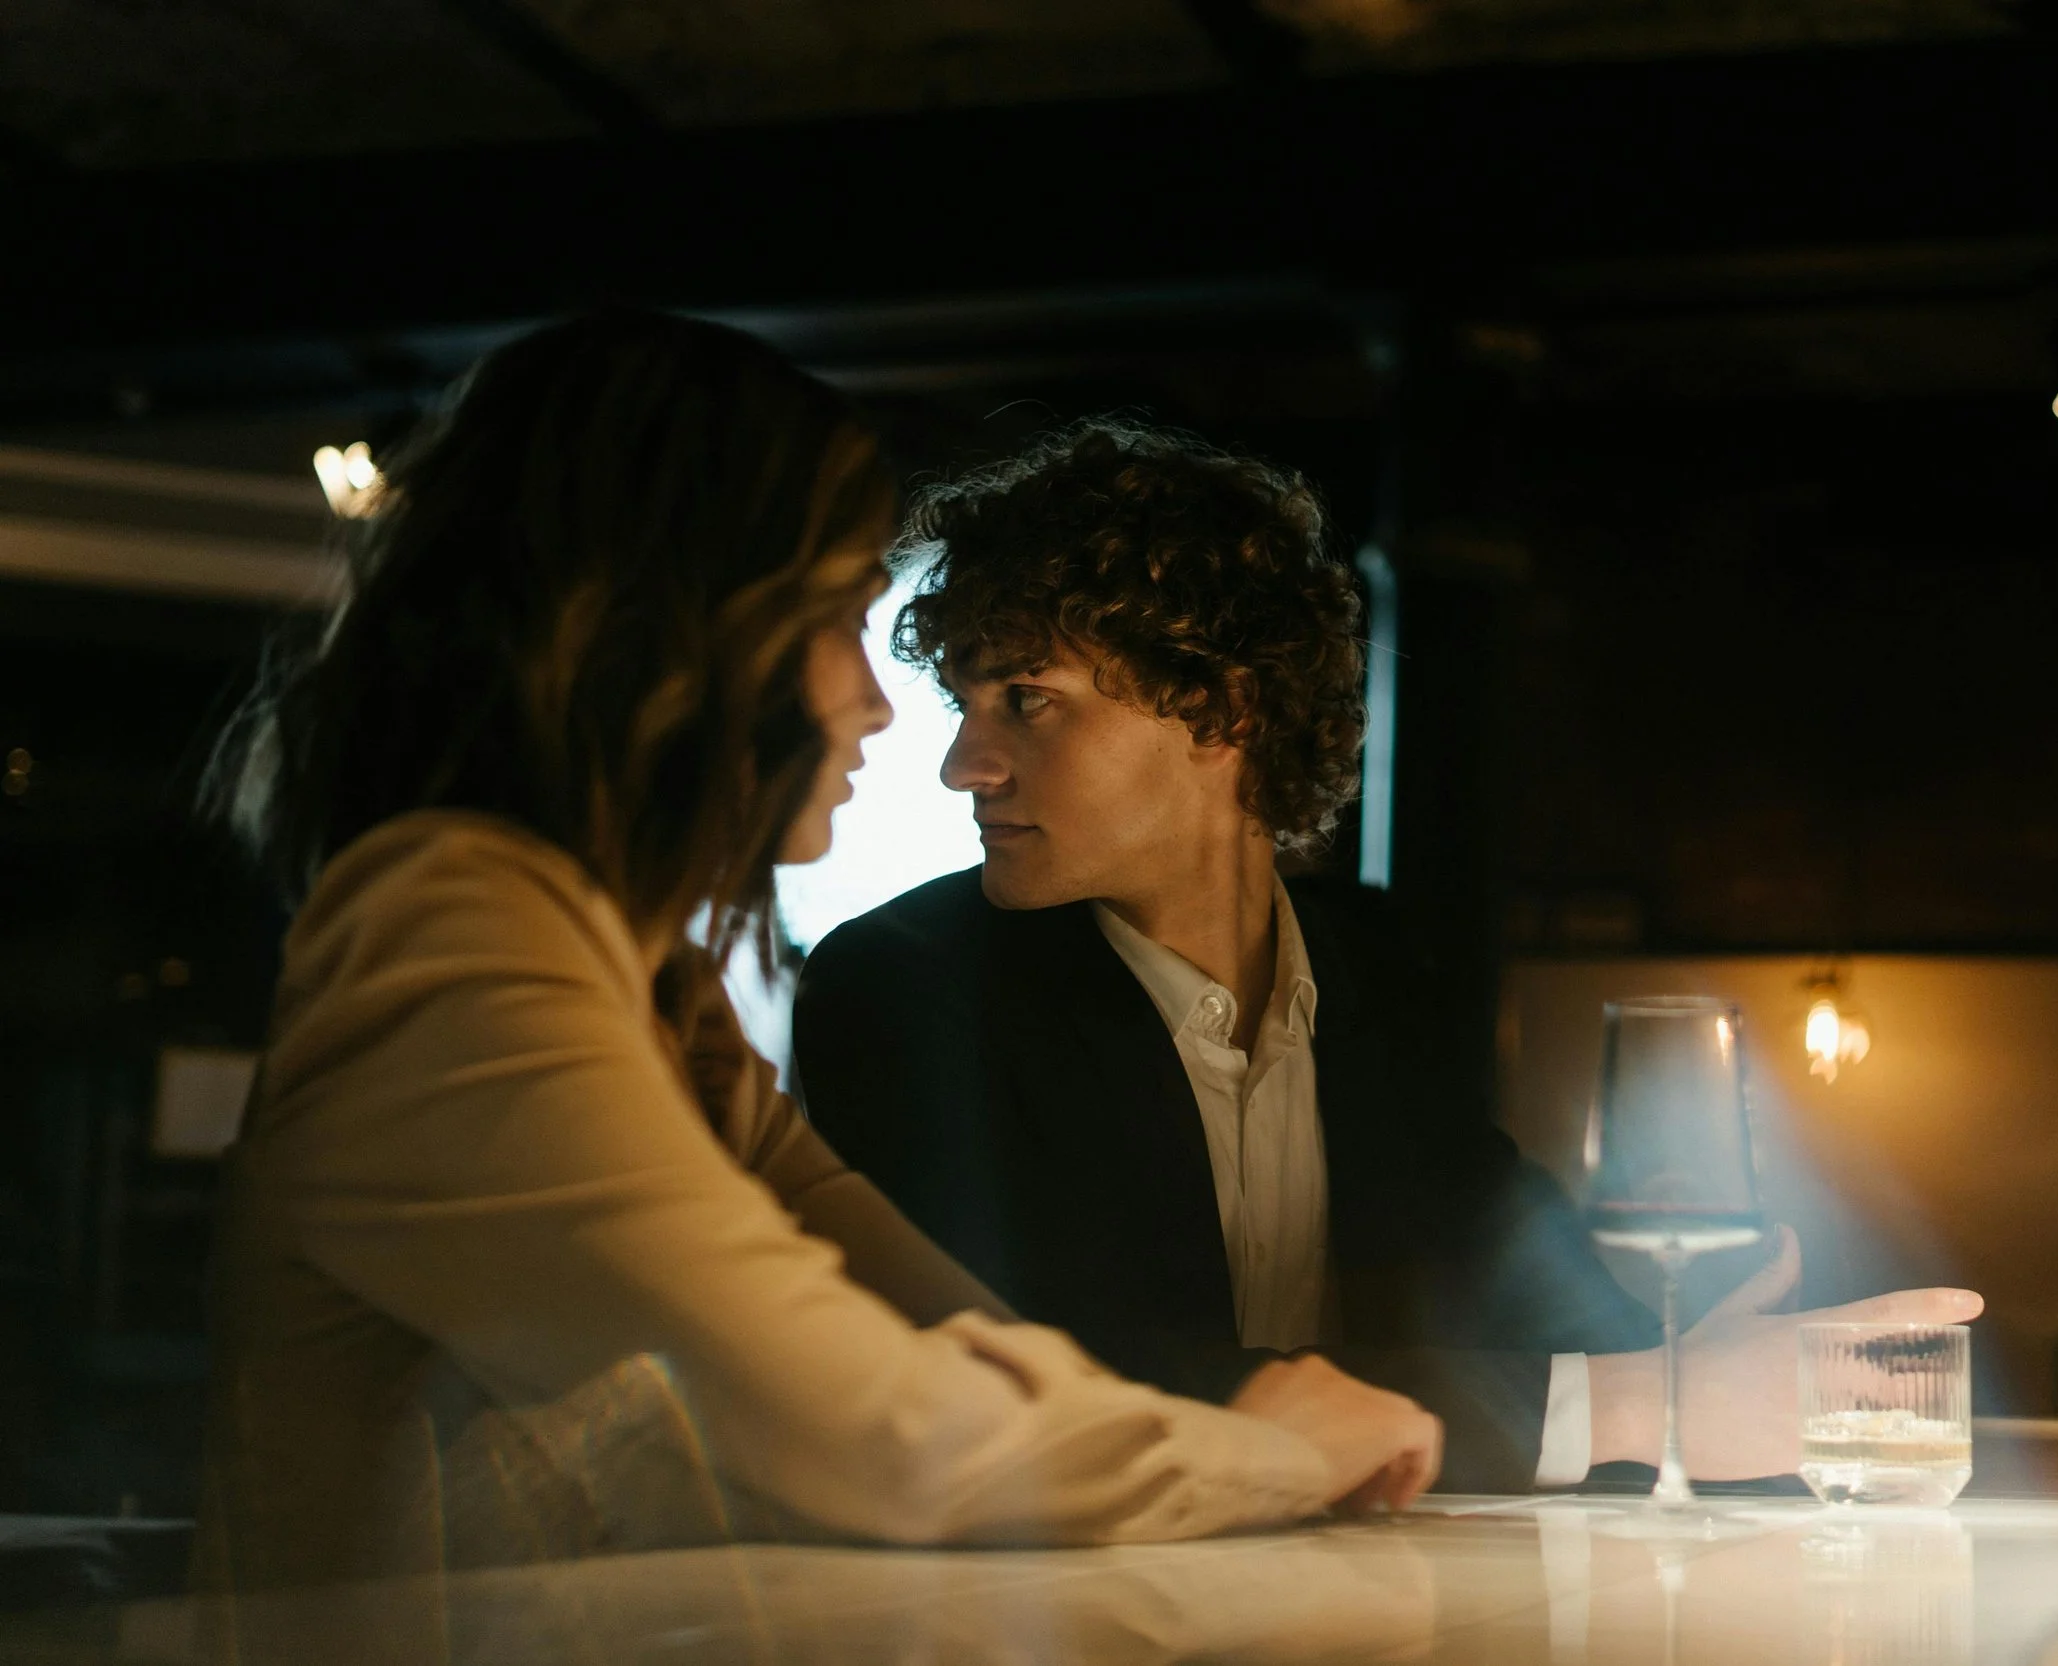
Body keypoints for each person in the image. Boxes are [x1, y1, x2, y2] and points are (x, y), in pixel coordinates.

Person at [192, 316, 1443, 1597]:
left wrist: (1232, 1433)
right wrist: (1273, 1451)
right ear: (679, 637)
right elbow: (895, 1434)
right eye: (841, 618)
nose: (880, 704)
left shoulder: (659, 1002)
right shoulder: (449, 946)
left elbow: (961, 1336)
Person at [792, 420, 1982, 1492]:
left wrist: (1686, 1354)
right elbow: (1046, 1383)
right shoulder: (902, 987)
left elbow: (1531, 1302)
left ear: (1223, 709)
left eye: (1026, 698)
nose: (963, 765)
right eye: (965, 703)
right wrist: (1634, 1400)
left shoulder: (1381, 970)